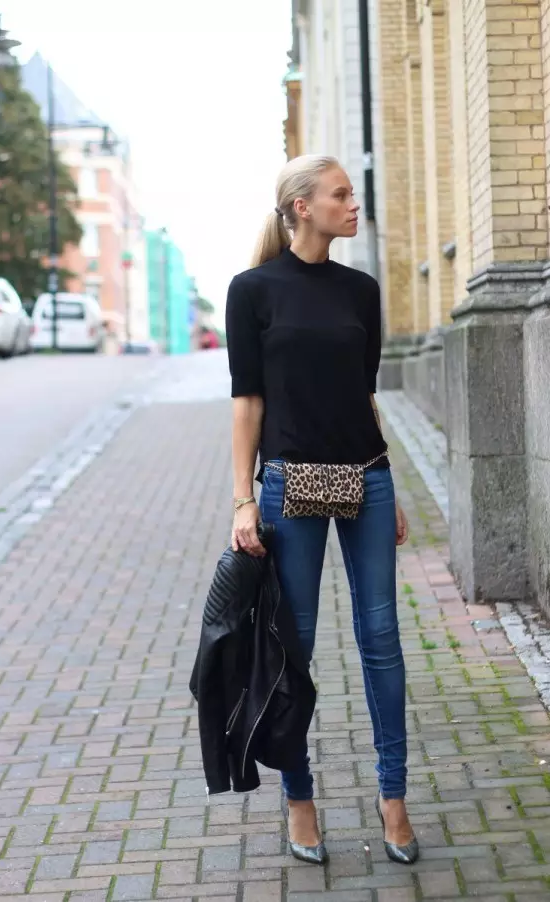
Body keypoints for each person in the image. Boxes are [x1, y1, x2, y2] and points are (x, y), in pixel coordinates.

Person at [225, 154, 418, 867]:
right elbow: (247, 404)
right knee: (293, 651)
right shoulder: (252, 292)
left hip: (366, 479)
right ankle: (299, 799)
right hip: (286, 487)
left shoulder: (361, 291)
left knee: (382, 642)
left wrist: (389, 486)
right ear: (301, 207)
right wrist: (243, 499)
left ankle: (393, 797)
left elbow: (362, 396)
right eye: (340, 195)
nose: (352, 203)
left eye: (352, 194)